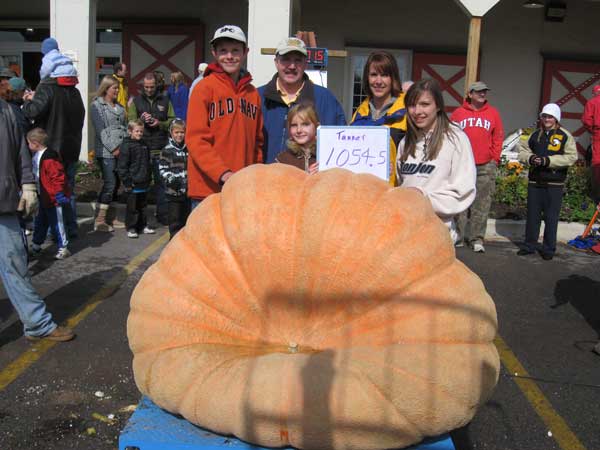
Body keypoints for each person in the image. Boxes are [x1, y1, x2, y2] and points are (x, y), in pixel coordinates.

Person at [0, 98, 74, 341]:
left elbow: (21, 153)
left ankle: (37, 324)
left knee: (17, 264)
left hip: (4, 203)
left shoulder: (8, 112)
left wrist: (29, 185)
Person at [186, 25, 263, 205]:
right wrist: (223, 173)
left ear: (245, 52)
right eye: (223, 51)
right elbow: (196, 140)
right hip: (207, 190)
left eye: (235, 50)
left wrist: (254, 175)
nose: (229, 56)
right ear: (214, 53)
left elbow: (257, 143)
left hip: (242, 189)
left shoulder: (252, 94)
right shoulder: (203, 88)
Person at [396, 79, 476, 243]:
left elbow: (463, 192)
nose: (417, 111)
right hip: (402, 235)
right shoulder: (406, 142)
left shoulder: (456, 139)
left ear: (438, 106)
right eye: (412, 105)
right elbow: (400, 185)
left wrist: (423, 198)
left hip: (436, 237)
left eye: (425, 104)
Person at [22, 41, 85, 239]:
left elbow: (34, 111)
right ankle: (71, 227)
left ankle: (54, 230)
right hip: (71, 149)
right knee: (68, 190)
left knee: (49, 192)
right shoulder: (74, 90)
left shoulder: (47, 87)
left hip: (50, 150)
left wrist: (27, 102)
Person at [258, 37, 346, 164]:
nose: (292, 66)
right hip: (266, 180)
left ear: (305, 63)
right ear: (276, 62)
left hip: (311, 181)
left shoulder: (326, 99)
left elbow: (340, 144)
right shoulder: (257, 98)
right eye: (286, 60)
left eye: (298, 60)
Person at [517, 103, 577, 260]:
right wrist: (530, 158)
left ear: (556, 118)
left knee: (551, 218)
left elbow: (571, 157)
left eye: (550, 117)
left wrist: (548, 161)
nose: (547, 119)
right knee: (532, 216)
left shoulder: (565, 135)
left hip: (554, 184)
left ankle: (548, 249)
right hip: (535, 182)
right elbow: (522, 150)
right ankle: (529, 245)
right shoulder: (535, 134)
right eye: (544, 116)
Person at [451, 81, 505, 253]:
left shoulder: (493, 113)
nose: (483, 94)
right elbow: (451, 136)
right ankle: (457, 236)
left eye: (484, 91)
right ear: (470, 94)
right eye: (479, 91)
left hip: (485, 165)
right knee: (460, 200)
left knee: (481, 203)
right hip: (463, 164)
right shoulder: (458, 113)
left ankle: (476, 239)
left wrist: (494, 158)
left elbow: (498, 136)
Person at [350, 50, 407, 186]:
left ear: (393, 78)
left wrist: (399, 169)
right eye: (374, 75)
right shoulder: (359, 113)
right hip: (362, 192)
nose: (378, 81)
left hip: (395, 194)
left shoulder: (408, 110)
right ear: (367, 78)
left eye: (385, 75)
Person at [128, 72, 175, 225]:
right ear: (143, 86)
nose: (149, 89)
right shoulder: (136, 101)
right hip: (142, 149)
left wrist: (159, 123)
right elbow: (130, 122)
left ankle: (162, 216)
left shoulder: (165, 100)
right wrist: (140, 120)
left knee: (162, 184)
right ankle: (141, 219)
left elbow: (172, 121)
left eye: (152, 87)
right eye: (146, 87)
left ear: (156, 85)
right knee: (141, 184)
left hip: (161, 148)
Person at [27, 128, 72, 260]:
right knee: (40, 222)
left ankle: (63, 248)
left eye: (29, 143)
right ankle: (36, 245)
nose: (28, 146)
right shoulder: (38, 156)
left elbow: (58, 177)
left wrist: (59, 193)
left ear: (35, 143)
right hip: (43, 196)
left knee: (57, 223)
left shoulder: (49, 158)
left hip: (52, 197)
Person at [90, 75, 127, 232]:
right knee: (110, 183)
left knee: (117, 184)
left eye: (118, 88)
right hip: (106, 151)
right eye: (115, 88)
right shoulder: (97, 106)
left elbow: (124, 127)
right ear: (106, 89)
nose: (117, 91)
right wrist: (113, 148)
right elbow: (100, 130)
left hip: (120, 151)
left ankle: (111, 217)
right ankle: (100, 220)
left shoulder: (119, 107)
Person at [117, 120, 155, 238]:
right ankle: (131, 227)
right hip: (132, 183)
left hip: (143, 181)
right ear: (130, 131)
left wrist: (149, 177)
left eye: (141, 131)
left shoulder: (144, 145)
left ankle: (142, 226)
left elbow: (148, 163)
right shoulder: (126, 145)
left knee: (143, 206)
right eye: (137, 131)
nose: (139, 133)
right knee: (132, 207)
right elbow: (122, 166)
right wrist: (127, 181)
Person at [159, 119, 191, 238]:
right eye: (176, 132)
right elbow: (162, 169)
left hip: (186, 192)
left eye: (182, 132)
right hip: (173, 193)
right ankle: (174, 243)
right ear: (171, 133)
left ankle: (184, 243)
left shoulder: (188, 149)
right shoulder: (167, 150)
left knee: (186, 219)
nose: (179, 135)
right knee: (175, 220)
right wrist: (170, 179)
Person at [275, 102, 319, 174]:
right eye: (294, 125)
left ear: (317, 127)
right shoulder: (283, 159)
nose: (299, 130)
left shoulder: (326, 156)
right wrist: (304, 176)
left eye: (305, 124)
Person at [582, 84, 600, 215]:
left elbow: (587, 120)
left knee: (597, 165)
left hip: (598, 134)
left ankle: (597, 199)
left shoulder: (592, 102)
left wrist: (592, 131)